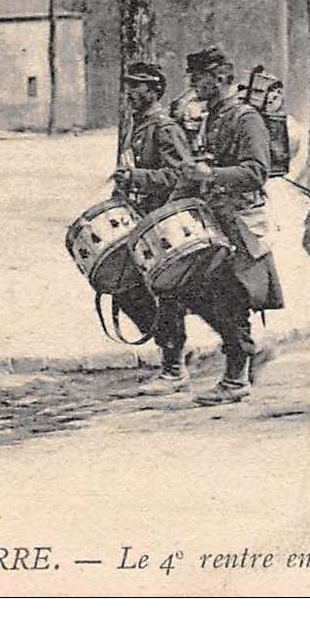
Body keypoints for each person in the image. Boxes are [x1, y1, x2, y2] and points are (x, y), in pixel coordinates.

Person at [172, 45, 285, 406]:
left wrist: (212, 173)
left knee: (230, 296)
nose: (193, 84)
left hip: (239, 222)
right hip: (214, 220)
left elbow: (256, 172)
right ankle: (250, 352)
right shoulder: (213, 116)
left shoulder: (245, 117)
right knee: (197, 291)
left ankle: (237, 377)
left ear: (221, 78)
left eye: (199, 78)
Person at [111, 61, 196, 391]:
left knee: (167, 293)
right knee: (130, 290)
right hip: (141, 220)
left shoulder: (163, 127)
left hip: (162, 221)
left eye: (139, 86)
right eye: (130, 85)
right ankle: (172, 356)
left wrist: (138, 178)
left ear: (155, 90)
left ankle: (174, 368)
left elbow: (179, 175)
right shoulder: (139, 125)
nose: (132, 92)